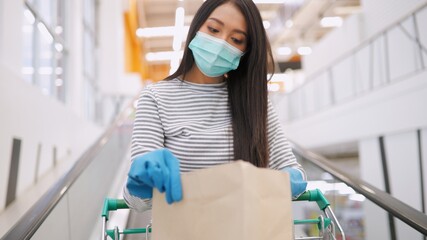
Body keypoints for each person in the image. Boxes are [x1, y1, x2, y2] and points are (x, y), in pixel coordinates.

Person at [124, 0, 307, 211]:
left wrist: (287, 180)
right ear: (196, 27)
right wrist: (141, 184)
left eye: (236, 39)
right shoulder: (156, 97)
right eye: (213, 29)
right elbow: (135, 201)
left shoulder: (254, 101)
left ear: (245, 51)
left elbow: (293, 170)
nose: (221, 43)